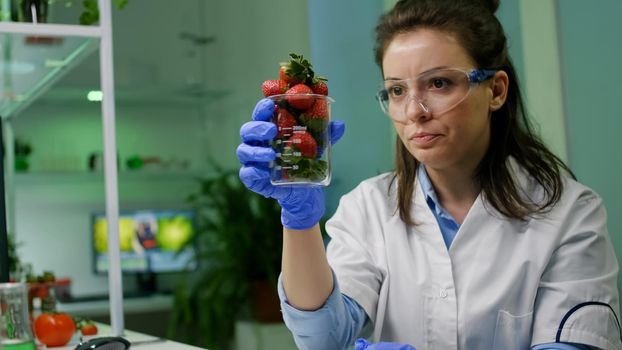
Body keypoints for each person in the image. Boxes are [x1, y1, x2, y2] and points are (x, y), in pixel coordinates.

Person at [236, 0, 621, 349]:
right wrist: (299, 222)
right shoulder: (367, 208)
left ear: (496, 90)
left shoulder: (571, 214)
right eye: (397, 90)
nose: (415, 111)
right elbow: (323, 338)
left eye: (439, 83)